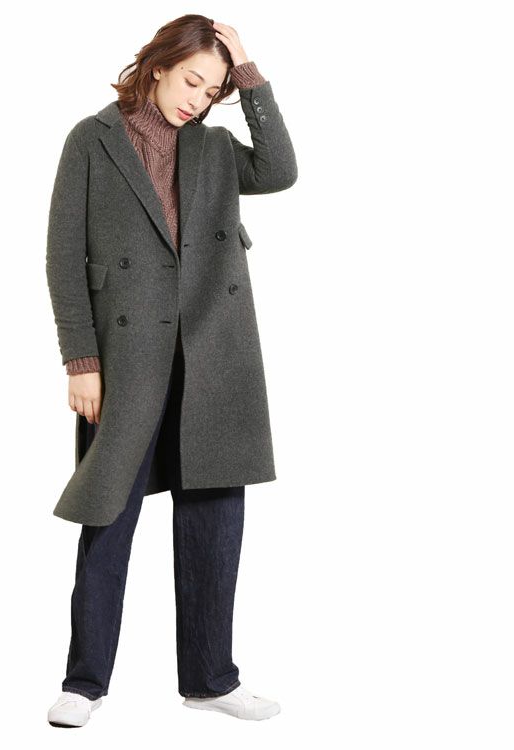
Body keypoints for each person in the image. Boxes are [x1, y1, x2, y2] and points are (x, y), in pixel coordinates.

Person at [45, 15, 297, 727]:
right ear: (158, 66)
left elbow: (279, 170)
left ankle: (211, 679)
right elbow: (63, 255)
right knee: (108, 516)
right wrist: (81, 361)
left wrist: (246, 72)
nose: (198, 99)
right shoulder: (93, 139)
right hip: (127, 361)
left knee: (215, 520)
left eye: (213, 90)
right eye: (191, 80)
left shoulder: (214, 149)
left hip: (212, 352)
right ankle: (84, 683)